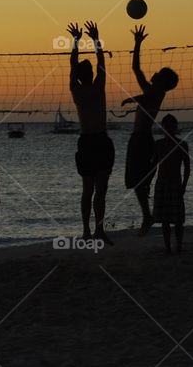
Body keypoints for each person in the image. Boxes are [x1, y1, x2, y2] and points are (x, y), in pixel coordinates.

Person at [121, 25, 179, 236]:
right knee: (139, 181)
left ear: (162, 82)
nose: (153, 74)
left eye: (159, 74)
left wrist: (130, 98)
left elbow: (145, 97)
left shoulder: (155, 93)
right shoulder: (153, 90)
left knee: (138, 181)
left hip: (142, 139)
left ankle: (147, 215)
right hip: (140, 138)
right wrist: (137, 44)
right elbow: (137, 69)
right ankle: (148, 214)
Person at [68, 20, 114, 244]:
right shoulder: (97, 87)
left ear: (78, 75)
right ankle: (97, 231)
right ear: (89, 74)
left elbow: (72, 64)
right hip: (99, 141)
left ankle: (88, 231)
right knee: (100, 191)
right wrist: (96, 39)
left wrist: (76, 41)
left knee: (88, 190)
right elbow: (102, 63)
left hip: (87, 142)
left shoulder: (76, 89)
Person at [152, 115, 190, 254]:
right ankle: (168, 248)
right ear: (163, 127)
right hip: (161, 183)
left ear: (175, 127)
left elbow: (187, 167)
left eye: (171, 126)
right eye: (166, 126)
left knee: (178, 219)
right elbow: (153, 165)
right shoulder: (158, 144)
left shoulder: (182, 144)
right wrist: (147, 182)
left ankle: (179, 246)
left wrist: (184, 185)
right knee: (164, 219)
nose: (168, 128)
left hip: (175, 182)